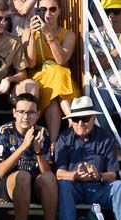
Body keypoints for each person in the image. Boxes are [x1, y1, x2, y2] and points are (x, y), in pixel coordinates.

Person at [54, 96, 121, 220]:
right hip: (75, 187)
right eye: (76, 119)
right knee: (64, 185)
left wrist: (98, 176)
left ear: (93, 118)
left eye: (85, 119)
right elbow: (58, 173)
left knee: (120, 186)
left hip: (99, 187)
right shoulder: (64, 138)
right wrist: (75, 176)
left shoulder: (105, 137)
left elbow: (113, 174)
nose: (80, 123)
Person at [0, 93, 61, 220]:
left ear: (37, 114)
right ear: (14, 113)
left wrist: (37, 152)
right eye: (22, 112)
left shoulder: (42, 132)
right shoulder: (4, 132)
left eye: (30, 112)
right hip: (11, 183)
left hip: (35, 183)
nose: (26, 116)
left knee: (50, 178)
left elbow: (47, 173)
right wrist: (23, 147)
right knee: (22, 175)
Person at [24, 0, 78, 141]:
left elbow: (61, 60)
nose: (48, 13)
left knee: (53, 101)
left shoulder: (68, 35)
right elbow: (30, 63)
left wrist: (49, 36)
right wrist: (32, 35)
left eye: (53, 9)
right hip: (39, 77)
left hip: (61, 81)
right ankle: (71, 118)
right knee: (58, 73)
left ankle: (53, 142)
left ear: (59, 11)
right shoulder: (28, 32)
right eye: (43, 9)